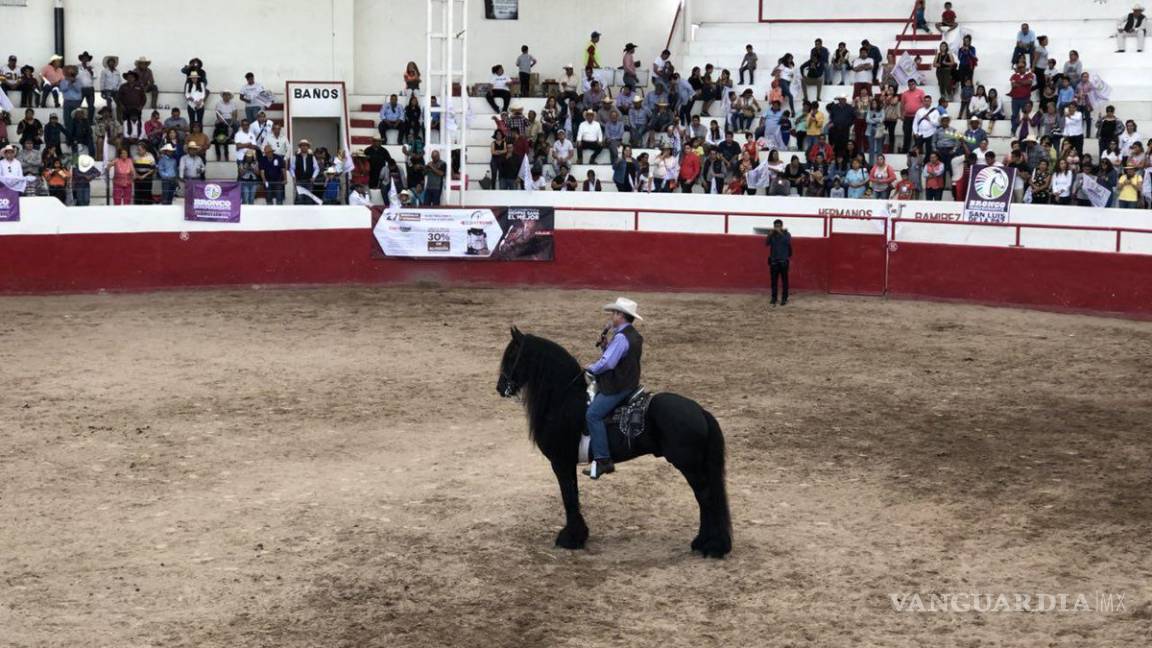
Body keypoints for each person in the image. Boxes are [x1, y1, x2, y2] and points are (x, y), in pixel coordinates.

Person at [582, 297, 644, 480]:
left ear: (621, 316)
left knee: (592, 414)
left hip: (618, 386)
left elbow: (608, 363)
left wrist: (590, 367)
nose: (611, 316)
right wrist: (606, 347)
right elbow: (619, 357)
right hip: (629, 382)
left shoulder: (621, 338)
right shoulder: (632, 335)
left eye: (614, 313)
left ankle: (602, 459)